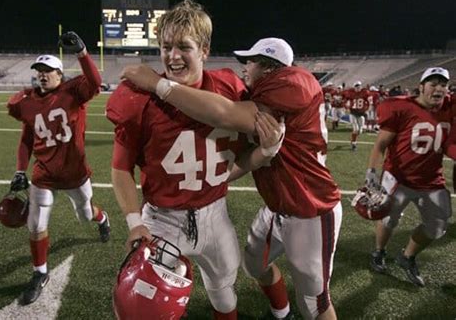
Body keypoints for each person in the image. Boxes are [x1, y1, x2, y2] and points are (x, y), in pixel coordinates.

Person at [122, 37, 343, 320]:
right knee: (254, 264)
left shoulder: (294, 81)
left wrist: (158, 84)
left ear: (269, 66)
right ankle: (282, 312)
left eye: (249, 62)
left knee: (314, 301)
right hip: (277, 205)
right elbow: (239, 165)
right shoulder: (267, 96)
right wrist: (217, 176)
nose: (244, 69)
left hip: (310, 209)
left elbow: (225, 115)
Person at [106, 0, 283, 320]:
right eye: (166, 46)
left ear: (204, 49)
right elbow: (120, 169)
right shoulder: (138, 98)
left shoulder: (229, 88)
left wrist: (265, 152)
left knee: (224, 291)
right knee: (143, 307)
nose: (172, 56)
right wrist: (135, 222)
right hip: (162, 219)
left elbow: (235, 161)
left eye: (183, 47)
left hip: (215, 215)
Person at [7, 31, 110, 305]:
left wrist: (83, 53)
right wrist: (20, 170)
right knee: (36, 223)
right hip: (44, 174)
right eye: (39, 70)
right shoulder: (25, 101)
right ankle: (39, 273)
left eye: (48, 71)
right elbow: (26, 139)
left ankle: (102, 219)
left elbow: (96, 82)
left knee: (86, 213)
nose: (42, 75)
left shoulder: (74, 92)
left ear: (59, 74)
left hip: (74, 172)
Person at [366, 67, 453, 287]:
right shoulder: (402, 107)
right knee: (388, 219)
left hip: (432, 180)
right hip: (398, 177)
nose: (438, 89)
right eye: (433, 84)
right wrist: (372, 172)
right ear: (421, 87)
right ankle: (379, 251)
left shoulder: (450, 108)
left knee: (437, 227)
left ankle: (407, 256)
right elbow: (381, 144)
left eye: (442, 84)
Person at [343, 81, 370, 150]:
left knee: (360, 131)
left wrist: (367, 108)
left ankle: (353, 138)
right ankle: (354, 144)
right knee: (355, 129)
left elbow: (369, 101)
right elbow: (345, 100)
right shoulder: (350, 93)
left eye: (359, 86)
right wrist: (346, 107)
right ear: (354, 87)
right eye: (356, 86)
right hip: (353, 113)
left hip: (361, 114)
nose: (358, 87)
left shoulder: (365, 93)